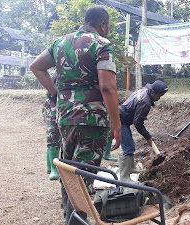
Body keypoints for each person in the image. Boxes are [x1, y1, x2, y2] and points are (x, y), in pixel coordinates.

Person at [30, 7, 121, 224]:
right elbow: (107, 87)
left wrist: (56, 93)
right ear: (103, 24)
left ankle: (68, 216)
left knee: (69, 169)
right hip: (93, 120)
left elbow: (36, 66)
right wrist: (116, 125)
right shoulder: (102, 44)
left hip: (65, 118)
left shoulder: (60, 43)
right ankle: (76, 220)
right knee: (84, 176)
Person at [118, 80, 168, 182]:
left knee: (130, 145)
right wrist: (148, 137)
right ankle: (124, 177)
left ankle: (131, 167)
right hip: (119, 121)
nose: (159, 98)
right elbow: (138, 122)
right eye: (159, 96)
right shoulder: (145, 103)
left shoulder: (143, 91)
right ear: (153, 92)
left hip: (121, 117)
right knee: (128, 148)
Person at [43, 73, 61, 180]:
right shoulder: (59, 72)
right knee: (53, 134)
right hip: (53, 103)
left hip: (64, 103)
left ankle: (50, 166)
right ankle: (53, 169)